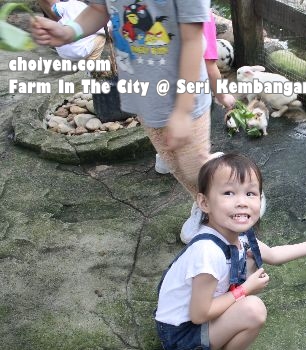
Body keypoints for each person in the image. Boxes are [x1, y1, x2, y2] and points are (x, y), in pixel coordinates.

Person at [31, 0, 216, 243]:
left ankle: (232, 198)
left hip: (184, 94)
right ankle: (203, 199)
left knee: (193, 166)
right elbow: (100, 9)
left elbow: (192, 41)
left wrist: (182, 110)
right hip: (143, 92)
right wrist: (69, 31)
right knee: (170, 158)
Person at [154, 153, 306, 350]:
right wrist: (245, 290)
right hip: (181, 335)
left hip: (192, 318)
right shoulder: (208, 252)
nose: (242, 202)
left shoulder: (238, 235)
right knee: (253, 310)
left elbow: (274, 254)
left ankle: (226, 339)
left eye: (250, 193)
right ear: (204, 203)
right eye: (229, 193)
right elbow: (199, 314)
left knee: (250, 264)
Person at [154, 12, 236, 173]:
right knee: (195, 123)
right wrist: (222, 96)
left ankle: (164, 160)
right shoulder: (202, 16)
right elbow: (210, 67)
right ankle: (201, 161)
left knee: (166, 122)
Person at [37, 0, 108, 61]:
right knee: (101, 36)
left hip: (62, 49)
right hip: (79, 49)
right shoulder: (85, 7)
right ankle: (93, 65)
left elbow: (54, 9)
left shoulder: (65, 5)